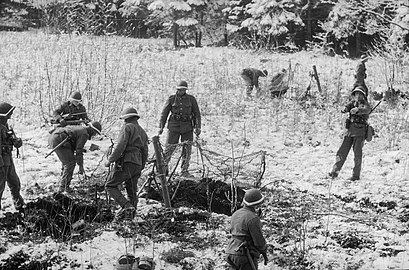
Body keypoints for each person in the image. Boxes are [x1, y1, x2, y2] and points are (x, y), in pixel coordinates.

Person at [104, 107, 148, 219]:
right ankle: (131, 217)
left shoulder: (127, 128)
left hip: (127, 161)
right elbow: (145, 151)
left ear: (126, 118)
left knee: (110, 185)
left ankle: (126, 206)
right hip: (137, 163)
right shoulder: (142, 132)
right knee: (132, 191)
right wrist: (140, 166)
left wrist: (110, 160)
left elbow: (120, 146)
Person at [159, 80, 201, 177]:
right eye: (180, 89)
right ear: (177, 89)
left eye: (183, 90)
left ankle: (184, 170)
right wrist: (161, 127)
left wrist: (198, 127)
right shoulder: (172, 99)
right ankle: (163, 169)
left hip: (187, 127)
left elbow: (197, 114)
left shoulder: (191, 99)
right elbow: (164, 114)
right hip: (174, 127)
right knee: (169, 148)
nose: (182, 91)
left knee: (187, 149)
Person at [329, 85, 371, 181]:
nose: (357, 95)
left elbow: (367, 110)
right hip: (349, 132)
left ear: (363, 95)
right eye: (356, 93)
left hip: (359, 132)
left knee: (357, 155)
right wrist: (344, 109)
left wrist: (358, 110)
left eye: (359, 94)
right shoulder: (353, 103)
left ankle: (355, 176)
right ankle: (334, 172)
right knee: (342, 152)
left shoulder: (365, 104)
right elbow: (347, 107)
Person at [48, 121, 102, 192]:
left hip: (55, 138)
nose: (94, 135)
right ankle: (63, 187)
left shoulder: (81, 129)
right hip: (58, 140)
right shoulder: (84, 134)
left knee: (67, 162)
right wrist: (81, 166)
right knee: (70, 163)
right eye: (95, 133)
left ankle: (63, 182)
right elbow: (79, 150)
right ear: (92, 130)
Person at [226, 188, 268, 270]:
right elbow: (259, 242)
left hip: (230, 251)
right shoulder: (253, 218)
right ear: (257, 204)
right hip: (244, 255)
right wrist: (264, 249)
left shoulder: (236, 213)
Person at [0, 103, 25, 212]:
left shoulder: (6, 125)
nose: (11, 114)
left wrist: (17, 141)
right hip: (1, 160)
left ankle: (19, 206)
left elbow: (14, 141)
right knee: (0, 186)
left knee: (15, 183)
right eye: (9, 113)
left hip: (8, 158)